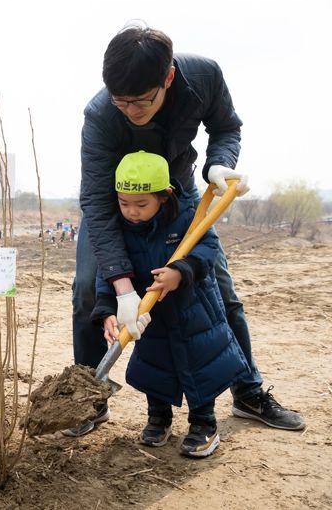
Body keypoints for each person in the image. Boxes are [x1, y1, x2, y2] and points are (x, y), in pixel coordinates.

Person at [68, 23, 305, 436]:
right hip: (116, 199)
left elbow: (226, 126)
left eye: (140, 102)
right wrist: (123, 288)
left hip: (177, 191)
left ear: (169, 78)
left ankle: (247, 391)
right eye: (121, 102)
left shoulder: (203, 77)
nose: (130, 111)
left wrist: (219, 163)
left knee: (216, 287)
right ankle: (89, 399)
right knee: (90, 285)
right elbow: (96, 201)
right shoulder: (101, 114)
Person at [93, 151, 250, 457]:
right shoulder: (119, 228)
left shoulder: (187, 214)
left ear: (164, 196)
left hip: (192, 310)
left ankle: (204, 423)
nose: (132, 212)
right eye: (124, 203)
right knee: (155, 367)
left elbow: (207, 247)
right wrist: (107, 309)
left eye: (141, 204)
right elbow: (107, 270)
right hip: (151, 315)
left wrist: (180, 272)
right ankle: (158, 417)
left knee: (200, 366)